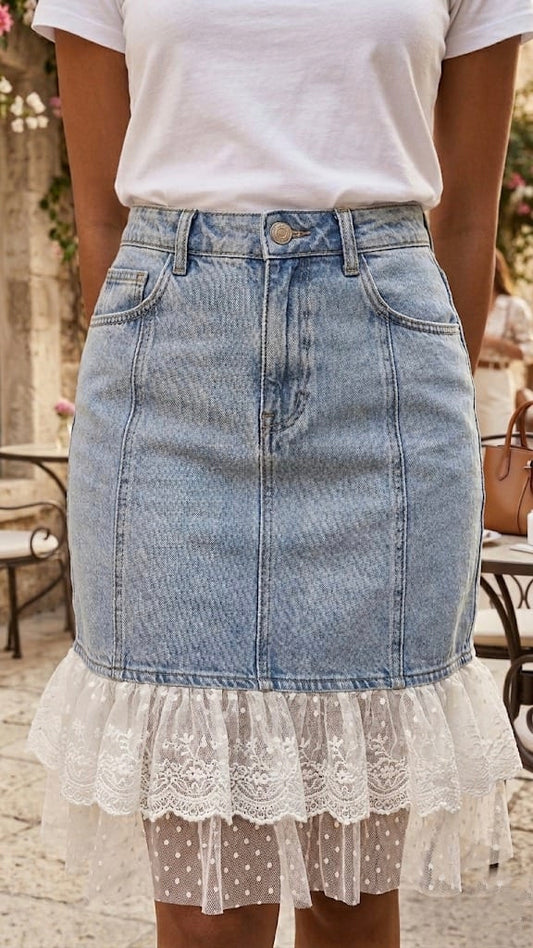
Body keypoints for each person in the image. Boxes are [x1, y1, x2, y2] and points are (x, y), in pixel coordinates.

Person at [27, 3, 533, 947]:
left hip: (383, 379)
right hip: (169, 380)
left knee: (350, 900)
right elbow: (99, 213)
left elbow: (468, 218)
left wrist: (418, 389)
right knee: (205, 912)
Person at [474, 248, 533, 438]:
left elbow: (529, 351)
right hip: (471, 378)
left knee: (496, 440)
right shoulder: (469, 303)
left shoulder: (513, 306)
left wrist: (496, 344)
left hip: (497, 382)